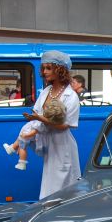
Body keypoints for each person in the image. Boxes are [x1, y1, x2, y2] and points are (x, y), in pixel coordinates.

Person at [23, 50, 81, 198]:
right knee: (49, 188)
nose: (45, 71)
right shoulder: (46, 91)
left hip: (63, 147)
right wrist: (33, 124)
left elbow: (63, 125)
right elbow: (37, 113)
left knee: (62, 191)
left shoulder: (71, 96)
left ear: (60, 69)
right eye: (43, 68)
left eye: (49, 68)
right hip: (51, 146)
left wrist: (41, 119)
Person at [3, 99, 67, 170]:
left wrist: (26, 135)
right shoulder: (47, 124)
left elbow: (34, 131)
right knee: (19, 140)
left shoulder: (41, 123)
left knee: (22, 148)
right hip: (26, 132)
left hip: (27, 134)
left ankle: (22, 163)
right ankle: (11, 148)